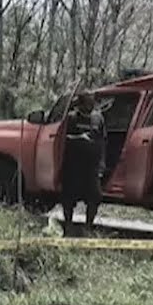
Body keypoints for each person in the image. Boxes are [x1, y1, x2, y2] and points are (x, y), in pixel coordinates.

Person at [59, 92, 106, 236]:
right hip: (73, 165)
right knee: (68, 197)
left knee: (95, 196)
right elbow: (61, 138)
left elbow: (103, 141)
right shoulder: (71, 117)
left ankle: (88, 227)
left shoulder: (98, 118)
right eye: (88, 102)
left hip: (91, 166)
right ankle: (68, 226)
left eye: (92, 101)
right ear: (81, 103)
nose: (91, 104)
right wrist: (79, 138)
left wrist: (102, 163)